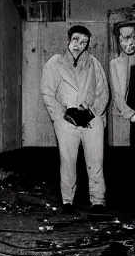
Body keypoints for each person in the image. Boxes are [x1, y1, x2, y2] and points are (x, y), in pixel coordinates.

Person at [40, 25, 109, 214]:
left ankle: (98, 201)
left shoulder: (94, 63)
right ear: (69, 40)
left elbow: (103, 93)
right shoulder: (54, 63)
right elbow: (47, 92)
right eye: (76, 40)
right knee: (68, 160)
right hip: (66, 120)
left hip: (90, 119)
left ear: (88, 45)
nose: (79, 44)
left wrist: (92, 112)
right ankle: (67, 201)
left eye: (84, 42)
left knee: (95, 161)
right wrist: (64, 113)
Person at [109, 22, 135, 151]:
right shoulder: (115, 64)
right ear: (119, 40)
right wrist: (130, 115)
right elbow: (117, 95)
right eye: (126, 38)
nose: (131, 42)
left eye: (134, 37)